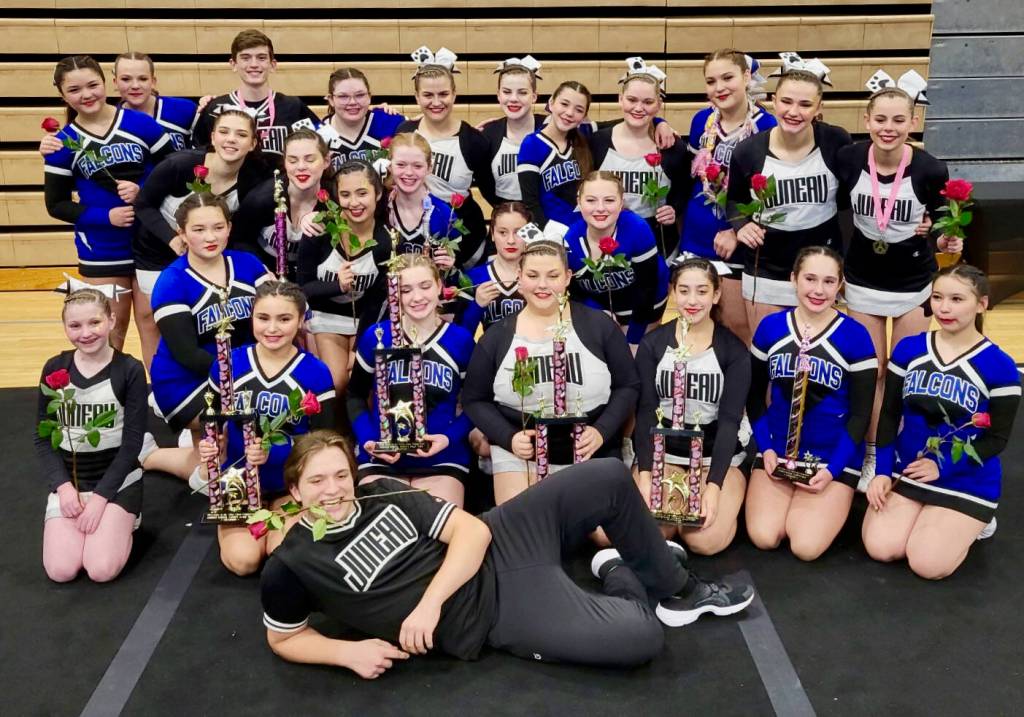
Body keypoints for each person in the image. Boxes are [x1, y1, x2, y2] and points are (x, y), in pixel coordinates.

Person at [259, 430, 755, 676]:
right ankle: (620, 569)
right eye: (317, 481)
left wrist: (428, 604)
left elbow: (472, 534)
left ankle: (680, 590)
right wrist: (347, 653)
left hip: (501, 540)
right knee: (641, 639)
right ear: (296, 490)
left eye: (341, 474)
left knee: (605, 475)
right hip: (493, 611)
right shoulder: (292, 564)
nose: (334, 489)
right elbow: (285, 639)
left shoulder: (378, 489)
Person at [863, 265, 1021, 579]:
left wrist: (942, 466)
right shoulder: (909, 349)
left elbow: (997, 439)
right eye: (937, 297)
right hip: (911, 470)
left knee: (927, 564)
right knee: (881, 548)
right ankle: (928, 519)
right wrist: (881, 471)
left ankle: (979, 521)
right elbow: (890, 414)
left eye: (957, 299)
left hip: (965, 479)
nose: (944, 308)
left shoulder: (1000, 366)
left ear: (981, 304)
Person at [836, 79, 959, 478]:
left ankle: (901, 448)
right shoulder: (850, 158)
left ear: (913, 121)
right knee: (872, 370)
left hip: (913, 283)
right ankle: (872, 452)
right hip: (861, 279)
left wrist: (947, 239)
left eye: (899, 120)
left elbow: (945, 223)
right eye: (881, 119)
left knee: (904, 372)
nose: (889, 127)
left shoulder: (929, 168)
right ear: (867, 120)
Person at [462, 240, 639, 504]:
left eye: (553, 275)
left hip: (589, 444)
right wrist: (508, 438)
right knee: (524, 524)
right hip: (522, 449)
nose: (542, 285)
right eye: (533, 276)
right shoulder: (497, 336)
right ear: (519, 278)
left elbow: (628, 385)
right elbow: (474, 399)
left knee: (602, 532)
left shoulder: (599, 326)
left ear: (568, 277)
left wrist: (601, 431)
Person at [745, 246, 877, 560]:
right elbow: (754, 398)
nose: (818, 290)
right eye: (810, 279)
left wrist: (833, 470)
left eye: (829, 281)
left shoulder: (855, 336)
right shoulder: (771, 328)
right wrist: (766, 450)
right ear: (793, 279)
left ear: (840, 285)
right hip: (778, 452)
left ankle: (836, 496)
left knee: (805, 546)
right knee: (764, 536)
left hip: (830, 456)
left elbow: (860, 414)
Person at [198, 281, 336, 576]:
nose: (272, 328)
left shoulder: (316, 372)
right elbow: (212, 419)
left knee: (281, 554)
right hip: (239, 487)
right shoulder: (229, 363)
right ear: (252, 318)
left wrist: (275, 450)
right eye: (263, 318)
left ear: (300, 321)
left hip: (289, 485)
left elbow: (325, 440)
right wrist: (209, 445)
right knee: (244, 562)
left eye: (284, 319)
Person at [43, 55, 174, 350]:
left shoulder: (141, 124)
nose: (86, 95)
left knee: (153, 322)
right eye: (74, 90)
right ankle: (111, 394)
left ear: (106, 84)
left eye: (92, 85)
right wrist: (106, 216)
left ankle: (157, 396)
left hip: (151, 241)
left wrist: (143, 190)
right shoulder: (62, 143)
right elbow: (56, 204)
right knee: (109, 326)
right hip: (102, 250)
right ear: (62, 95)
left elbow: (173, 174)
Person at [145, 194, 272, 484]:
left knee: (246, 445)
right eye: (198, 229)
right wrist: (247, 380)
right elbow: (186, 354)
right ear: (182, 233)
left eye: (218, 227)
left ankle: (199, 441)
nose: (210, 237)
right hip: (187, 380)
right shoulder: (172, 281)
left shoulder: (247, 263)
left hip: (238, 373)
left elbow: (279, 309)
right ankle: (151, 456)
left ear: (229, 227)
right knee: (220, 469)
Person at [635, 258, 751, 555]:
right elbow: (646, 411)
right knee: (654, 531)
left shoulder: (733, 351)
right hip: (665, 457)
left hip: (712, 459)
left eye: (701, 291)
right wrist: (646, 474)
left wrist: (713, 486)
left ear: (715, 294)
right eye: (684, 291)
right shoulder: (652, 345)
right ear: (673, 292)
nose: (692, 300)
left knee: (703, 541)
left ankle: (730, 500)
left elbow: (729, 422)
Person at [134, 108, 265, 368]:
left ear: (253, 143)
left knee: (198, 317)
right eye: (224, 132)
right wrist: (172, 239)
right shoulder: (180, 165)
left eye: (241, 134)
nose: (231, 139)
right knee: (154, 318)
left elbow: (242, 230)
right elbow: (143, 204)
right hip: (157, 249)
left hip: (204, 250)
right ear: (213, 137)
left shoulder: (252, 178)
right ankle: (158, 384)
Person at [727, 58, 851, 330]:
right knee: (768, 354)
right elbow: (734, 199)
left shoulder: (836, 141)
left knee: (814, 355)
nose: (794, 111)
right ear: (773, 100)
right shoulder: (748, 151)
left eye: (805, 105)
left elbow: (855, 191)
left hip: (820, 270)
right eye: (786, 102)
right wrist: (740, 225)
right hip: (767, 267)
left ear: (819, 108)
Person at [35, 288, 147, 583]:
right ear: (65, 327)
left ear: (111, 320)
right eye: (75, 325)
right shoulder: (55, 368)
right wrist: (63, 488)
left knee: (100, 569)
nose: (85, 333)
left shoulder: (129, 370)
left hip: (117, 483)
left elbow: (132, 444)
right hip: (72, 485)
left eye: (94, 323)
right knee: (61, 571)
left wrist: (100, 500)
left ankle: (127, 518)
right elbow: (44, 439)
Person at [346, 254, 475, 507]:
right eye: (405, 290)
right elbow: (355, 396)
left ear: (439, 286)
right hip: (381, 458)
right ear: (394, 293)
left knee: (435, 533)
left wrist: (448, 438)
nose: (417, 297)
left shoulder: (460, 340)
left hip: (441, 458)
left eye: (425, 286)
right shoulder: (377, 337)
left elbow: (474, 403)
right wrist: (370, 439)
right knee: (384, 531)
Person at [680, 50, 776, 345]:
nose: (719, 87)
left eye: (727, 78)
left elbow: (772, 195)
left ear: (747, 77)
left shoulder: (767, 126)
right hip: (697, 236)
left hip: (737, 242)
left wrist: (738, 229)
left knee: (737, 327)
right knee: (696, 325)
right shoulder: (701, 121)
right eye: (711, 81)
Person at [297, 159, 394, 395]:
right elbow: (303, 289)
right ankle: (333, 433)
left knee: (364, 382)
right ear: (336, 197)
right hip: (325, 315)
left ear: (378, 194)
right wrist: (337, 286)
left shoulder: (385, 242)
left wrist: (358, 346)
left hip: (363, 319)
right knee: (337, 382)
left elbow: (376, 302)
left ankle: (360, 433)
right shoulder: (320, 231)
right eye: (346, 195)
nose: (354, 203)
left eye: (362, 193)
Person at [396, 48, 497, 267]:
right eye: (428, 95)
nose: (436, 102)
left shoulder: (473, 141)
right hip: (414, 239)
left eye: (443, 94)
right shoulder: (404, 132)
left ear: (454, 94)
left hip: (463, 241)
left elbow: (492, 193)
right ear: (416, 97)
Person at [590, 57, 690, 256]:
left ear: (658, 104)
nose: (638, 108)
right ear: (620, 99)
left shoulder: (672, 147)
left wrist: (674, 210)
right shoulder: (596, 142)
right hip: (606, 244)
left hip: (658, 245)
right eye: (632, 100)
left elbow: (683, 191)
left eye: (648, 102)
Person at [562, 171, 669, 348]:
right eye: (591, 200)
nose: (600, 208)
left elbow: (647, 288)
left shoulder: (638, 229)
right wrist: (597, 313)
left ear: (621, 203)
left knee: (634, 357)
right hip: (602, 305)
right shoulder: (571, 239)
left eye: (609, 200)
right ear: (579, 202)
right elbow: (576, 292)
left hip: (644, 303)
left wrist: (633, 341)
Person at [192, 29, 319, 158]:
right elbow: (198, 156)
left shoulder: (293, 106)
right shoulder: (215, 108)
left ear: (272, 65)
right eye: (245, 58)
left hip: (282, 178)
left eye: (261, 58)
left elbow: (326, 143)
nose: (254, 64)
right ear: (233, 64)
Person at [39, 52, 198, 155]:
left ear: (153, 81)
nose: (135, 85)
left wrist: (210, 104)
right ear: (114, 82)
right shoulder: (110, 123)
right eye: (126, 79)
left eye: (142, 78)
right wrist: (50, 146)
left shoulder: (184, 109)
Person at [231, 128, 329, 280]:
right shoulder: (262, 199)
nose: (301, 166)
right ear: (284, 163)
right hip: (266, 275)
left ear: (326, 161)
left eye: (310, 159)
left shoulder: (335, 200)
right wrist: (260, 272)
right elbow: (238, 240)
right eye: (293, 160)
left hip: (313, 279)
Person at [516, 81, 594, 237]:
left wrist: (657, 122)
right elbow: (530, 204)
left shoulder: (584, 135)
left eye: (578, 110)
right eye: (564, 104)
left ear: (584, 116)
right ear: (551, 103)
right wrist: (555, 236)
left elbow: (619, 124)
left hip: (585, 230)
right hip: (550, 234)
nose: (570, 113)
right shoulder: (532, 144)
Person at [382, 132, 461, 263]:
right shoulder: (380, 209)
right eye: (401, 165)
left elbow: (458, 269)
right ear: (390, 166)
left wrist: (450, 265)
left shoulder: (444, 214)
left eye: (417, 166)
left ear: (429, 168)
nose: (409, 173)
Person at [457, 202, 531, 335]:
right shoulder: (474, 277)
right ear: (492, 233)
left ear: (529, 234)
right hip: (492, 354)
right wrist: (477, 306)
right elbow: (462, 335)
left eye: (519, 233)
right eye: (502, 232)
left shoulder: (538, 277)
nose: (510, 240)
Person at [480, 57, 546, 203]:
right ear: (498, 95)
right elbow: (484, 184)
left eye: (522, 92)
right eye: (507, 92)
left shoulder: (549, 127)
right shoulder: (489, 134)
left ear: (534, 96)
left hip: (546, 218)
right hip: (505, 217)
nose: (514, 99)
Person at [318, 67, 405, 171]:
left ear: (369, 96)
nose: (352, 102)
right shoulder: (318, 135)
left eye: (360, 95)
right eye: (343, 96)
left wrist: (422, 118)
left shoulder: (390, 122)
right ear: (331, 99)